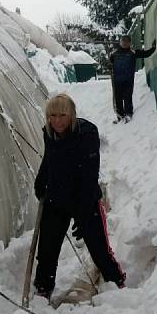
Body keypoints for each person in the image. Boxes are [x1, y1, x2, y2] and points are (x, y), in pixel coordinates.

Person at [33, 93, 126, 300]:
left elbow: (90, 175)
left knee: (99, 249)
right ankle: (43, 287)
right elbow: (49, 158)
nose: (57, 120)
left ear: (72, 115)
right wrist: (41, 181)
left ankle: (116, 281)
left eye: (62, 115)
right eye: (52, 115)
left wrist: (82, 213)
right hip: (57, 198)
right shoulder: (49, 133)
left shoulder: (87, 133)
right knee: (47, 248)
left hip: (85, 197)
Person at [110, 34, 156, 122]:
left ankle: (128, 114)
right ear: (120, 42)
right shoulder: (114, 54)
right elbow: (110, 62)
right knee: (118, 98)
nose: (124, 43)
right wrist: (109, 65)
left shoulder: (133, 53)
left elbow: (146, 54)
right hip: (117, 80)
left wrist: (153, 48)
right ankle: (120, 116)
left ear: (129, 43)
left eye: (127, 41)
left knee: (127, 97)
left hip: (128, 80)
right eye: (123, 41)